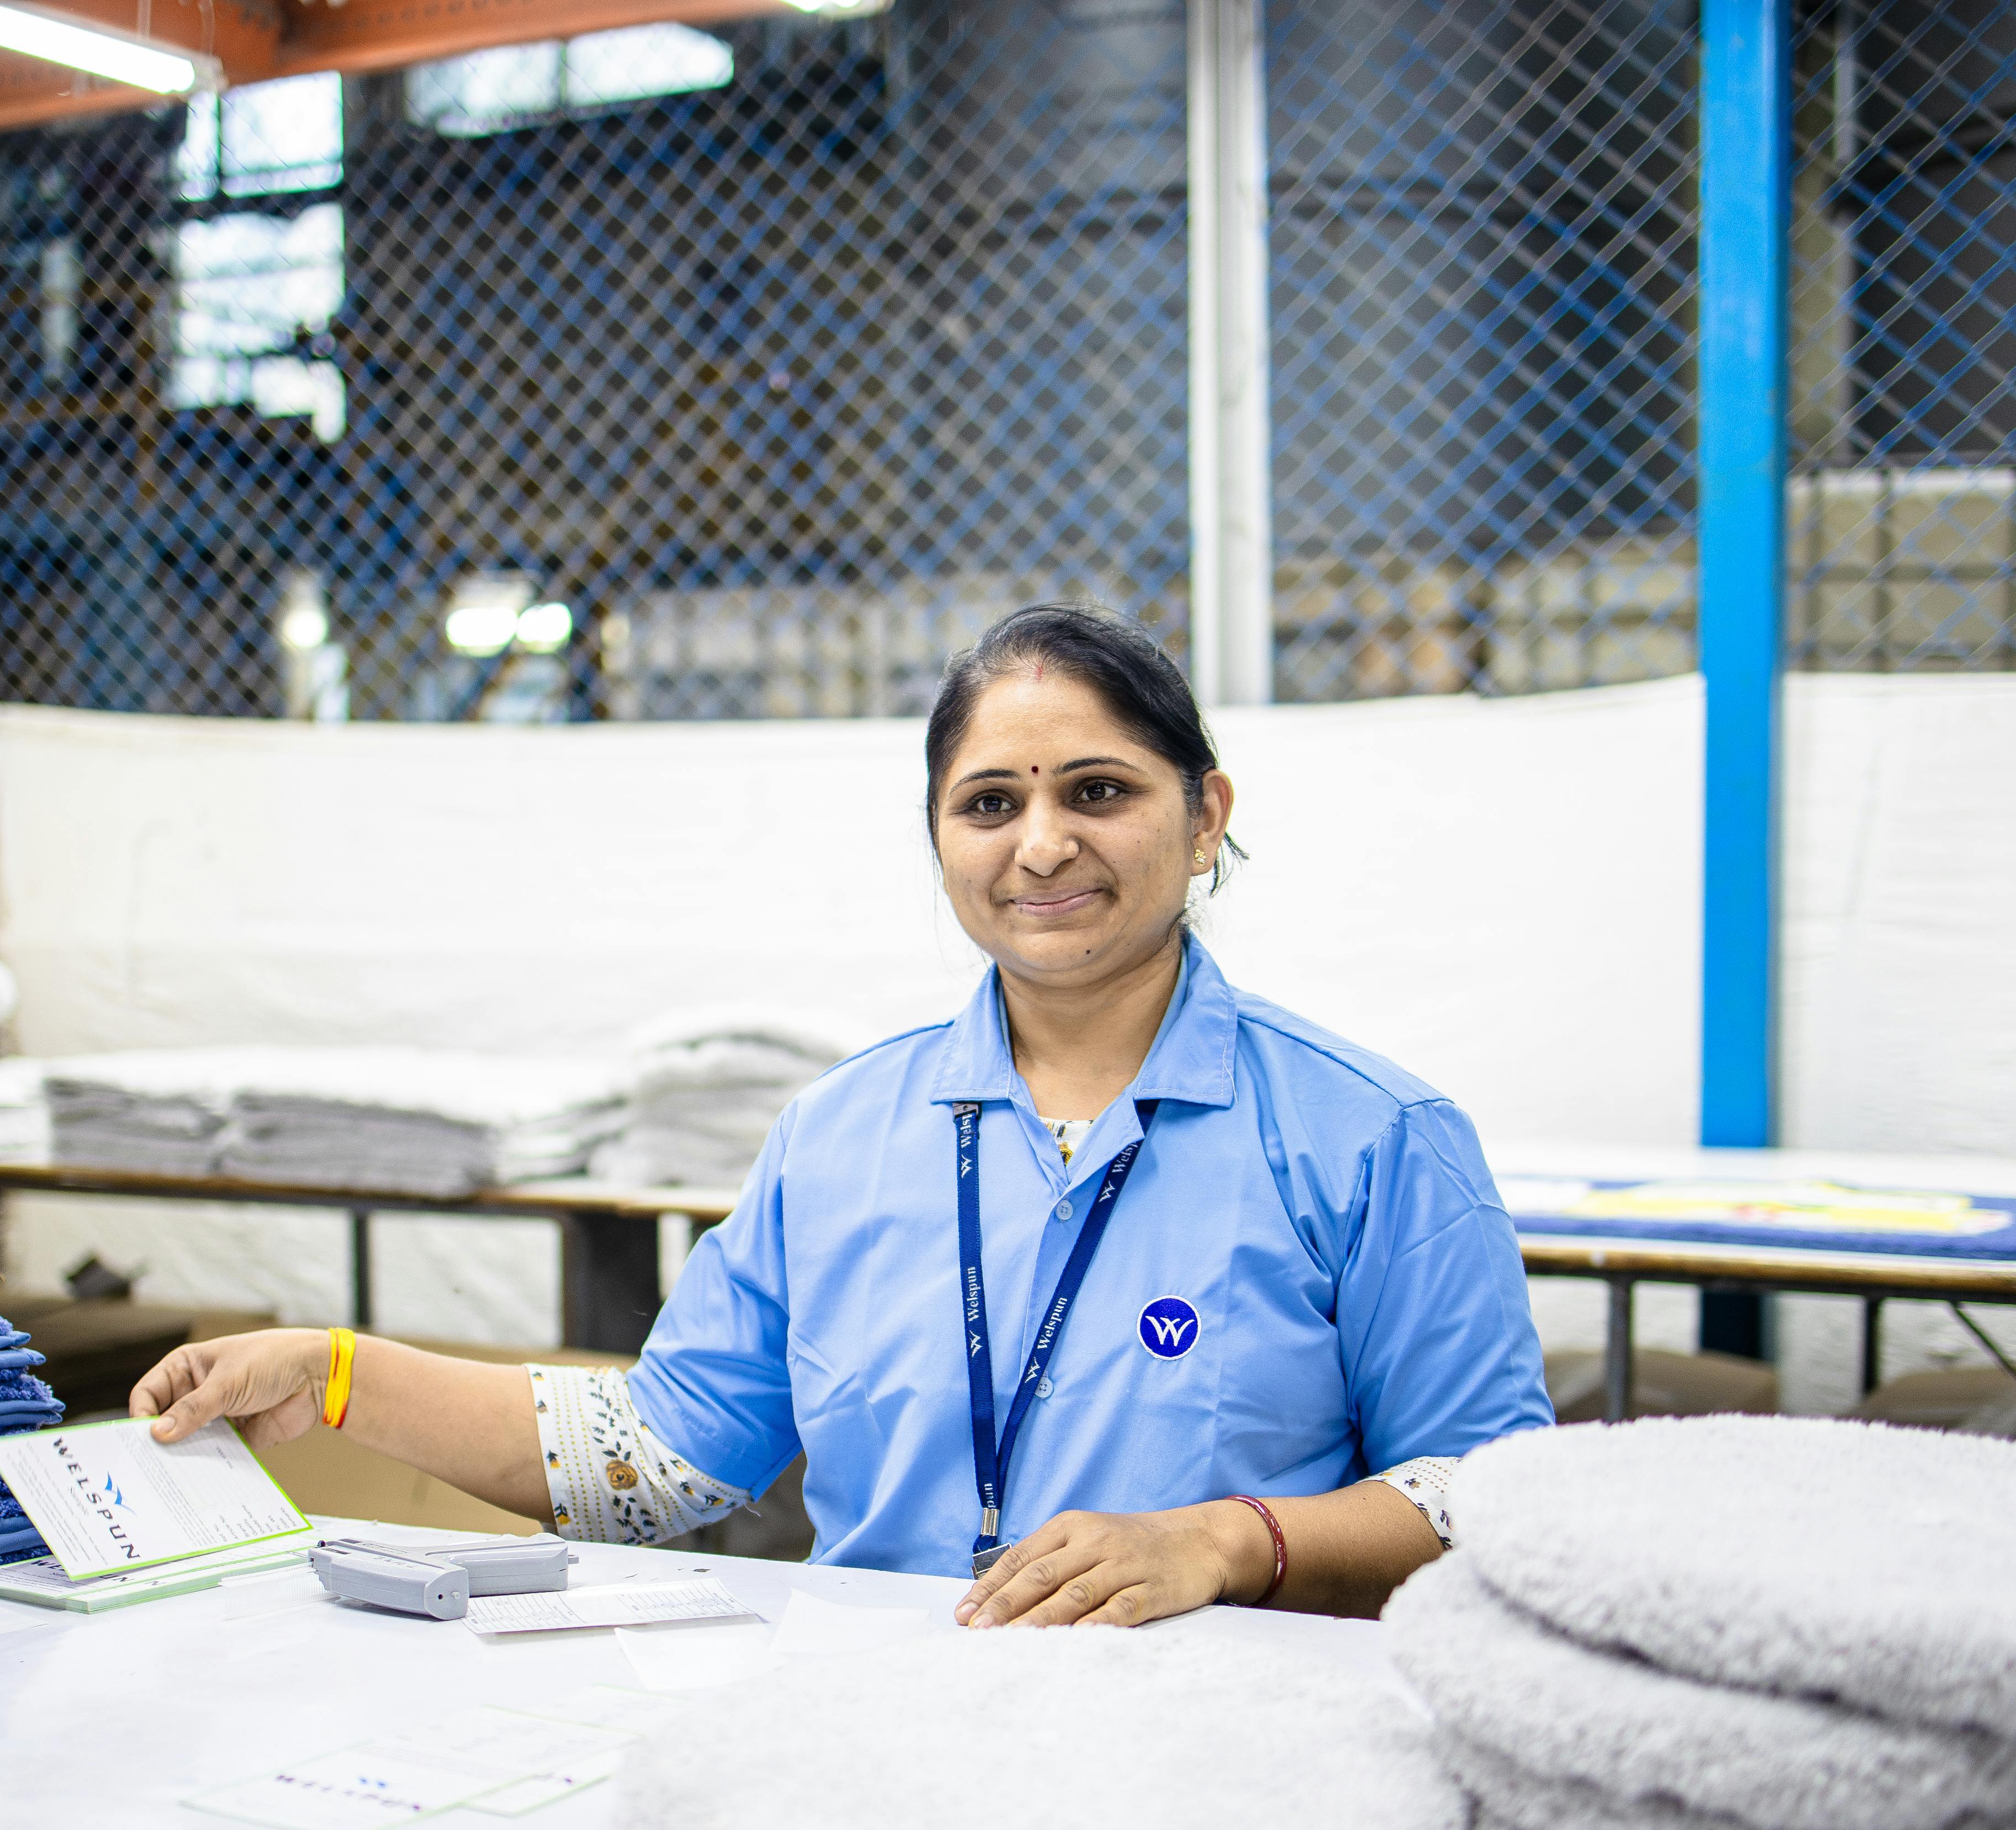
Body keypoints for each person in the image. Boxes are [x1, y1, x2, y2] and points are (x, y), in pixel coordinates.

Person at [129, 604, 1550, 1626]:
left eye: (1098, 791)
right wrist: (330, 1372)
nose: (1041, 842)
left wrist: (1228, 1545)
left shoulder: (1374, 1137)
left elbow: (1488, 1496)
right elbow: (663, 1455)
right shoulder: (842, 1135)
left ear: (1201, 813)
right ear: (942, 842)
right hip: (869, 1718)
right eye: (990, 802)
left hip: (1224, 1731)